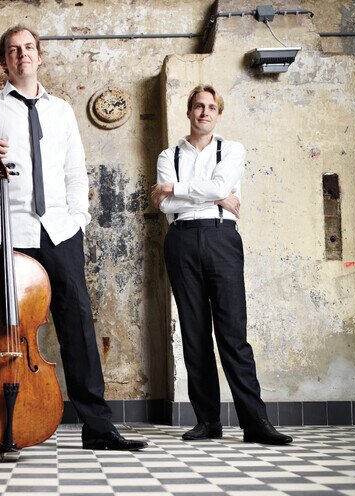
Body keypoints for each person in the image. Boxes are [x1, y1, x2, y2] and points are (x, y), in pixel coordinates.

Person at [0, 25, 147, 451]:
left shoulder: (61, 110)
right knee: (5, 329)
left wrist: (78, 219)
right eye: (13, 50)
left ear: (39, 56)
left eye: (28, 48)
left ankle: (98, 427)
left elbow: (75, 171)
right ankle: (7, 424)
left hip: (59, 231)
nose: (21, 54)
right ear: (4, 61)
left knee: (77, 325)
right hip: (5, 231)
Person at [148, 85, 292, 446]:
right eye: (198, 106)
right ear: (189, 112)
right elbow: (166, 206)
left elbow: (212, 187)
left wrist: (175, 189)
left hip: (221, 238)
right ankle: (208, 421)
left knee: (232, 333)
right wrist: (213, 194)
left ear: (218, 114)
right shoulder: (168, 155)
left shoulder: (232, 150)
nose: (204, 112)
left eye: (211, 107)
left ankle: (256, 422)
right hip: (181, 240)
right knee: (194, 334)